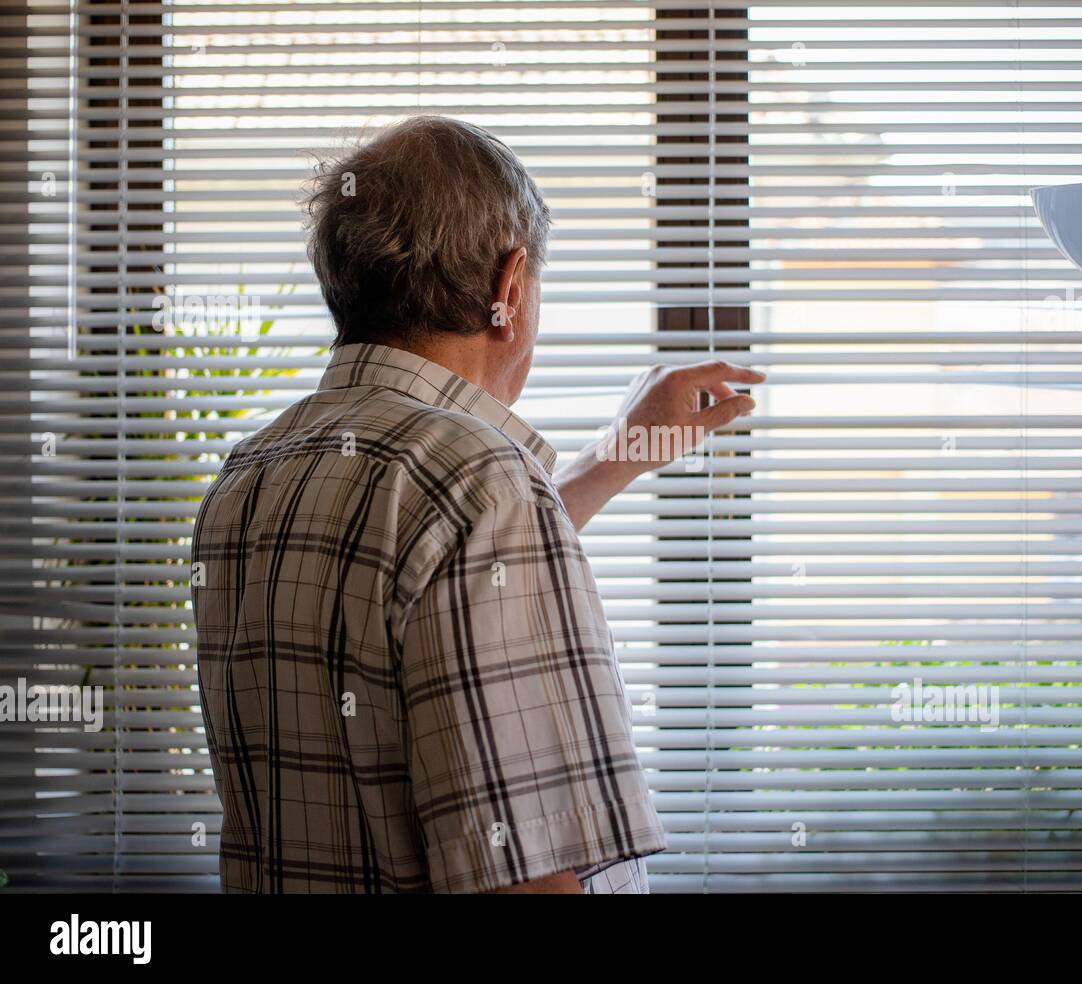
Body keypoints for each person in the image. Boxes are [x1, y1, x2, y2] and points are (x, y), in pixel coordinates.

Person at [192, 115, 764, 894]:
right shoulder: (483, 484)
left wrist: (614, 456)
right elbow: (527, 879)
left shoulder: (249, 476)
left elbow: (418, 571)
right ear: (510, 287)